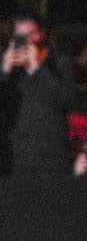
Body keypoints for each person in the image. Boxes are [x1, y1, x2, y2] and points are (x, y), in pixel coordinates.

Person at [0, 14, 75, 177]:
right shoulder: (8, 66)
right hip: (16, 154)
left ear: (42, 34)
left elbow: (66, 100)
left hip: (52, 152)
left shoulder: (57, 62)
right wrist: (4, 71)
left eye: (30, 35)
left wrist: (37, 68)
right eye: (20, 37)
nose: (26, 41)